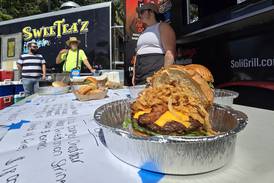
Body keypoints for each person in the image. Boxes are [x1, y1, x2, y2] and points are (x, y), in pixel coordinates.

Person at [133, 3, 176, 85]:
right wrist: (134, 76)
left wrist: (164, 76)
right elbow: (137, 54)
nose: (139, 15)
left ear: (151, 12)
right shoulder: (143, 32)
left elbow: (170, 53)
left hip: (156, 72)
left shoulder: (163, 26)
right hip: (140, 76)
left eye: (142, 12)